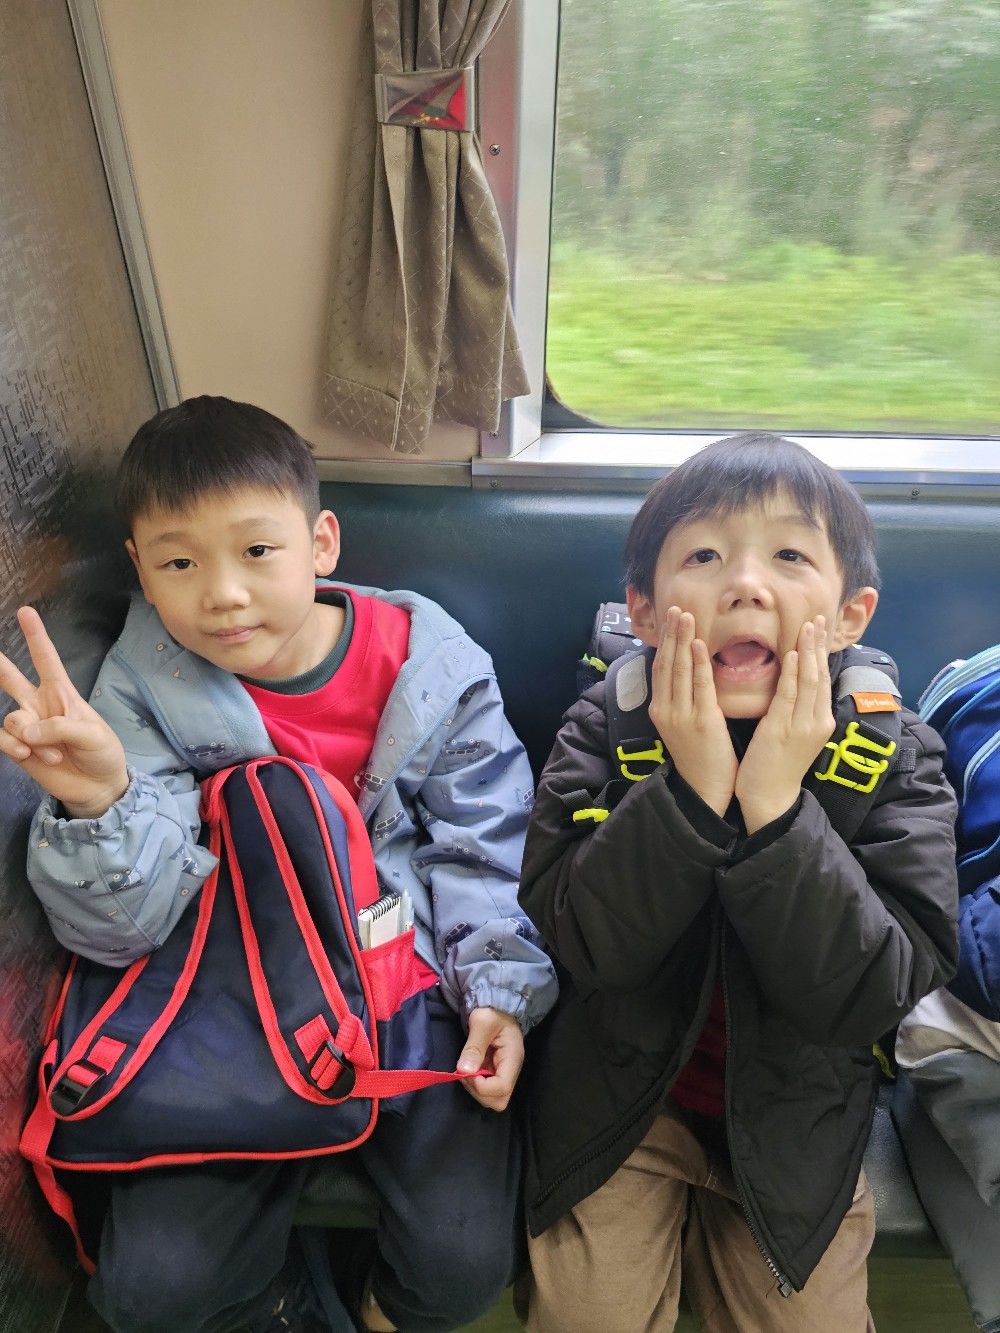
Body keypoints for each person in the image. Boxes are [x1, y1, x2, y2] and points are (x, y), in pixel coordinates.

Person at [0, 396, 558, 1333]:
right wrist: (100, 801)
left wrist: (497, 991)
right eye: (180, 563)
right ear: (140, 570)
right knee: (149, 1293)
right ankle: (284, 1302)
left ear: (321, 542)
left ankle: (371, 1306)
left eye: (257, 550)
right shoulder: (140, 688)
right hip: (229, 990)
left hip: (406, 980)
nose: (223, 593)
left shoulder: (432, 666)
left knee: (462, 1267)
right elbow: (126, 928)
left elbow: (485, 843)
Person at [516, 432, 959, 1333]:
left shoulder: (893, 754)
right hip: (620, 1102)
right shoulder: (604, 727)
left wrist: (777, 809)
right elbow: (584, 944)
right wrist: (686, 789)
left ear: (849, 615)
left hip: (798, 1113)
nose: (746, 584)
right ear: (645, 612)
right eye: (705, 556)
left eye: (790, 556)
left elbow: (871, 991)